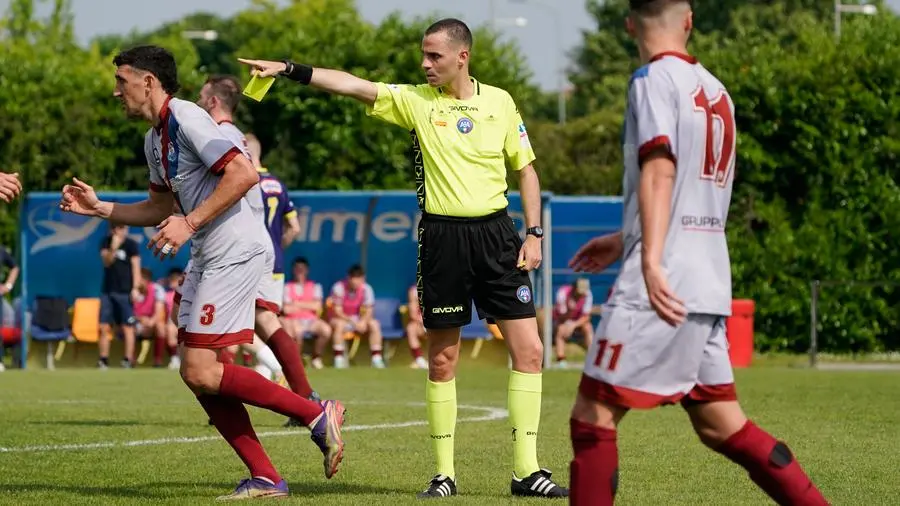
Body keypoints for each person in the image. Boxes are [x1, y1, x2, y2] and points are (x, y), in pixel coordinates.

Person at [239, 17, 565, 499]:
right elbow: (352, 86)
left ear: (462, 57)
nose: (424, 63)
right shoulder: (415, 100)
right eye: (423, 55)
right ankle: (444, 475)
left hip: (499, 237)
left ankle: (526, 472)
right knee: (443, 359)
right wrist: (288, 69)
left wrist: (534, 233)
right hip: (443, 238)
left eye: (433, 56)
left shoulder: (500, 101)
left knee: (531, 351)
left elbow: (527, 171)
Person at [566, 3, 828, 505]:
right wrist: (626, 240)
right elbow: (696, 191)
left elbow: (660, 168)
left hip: (663, 279)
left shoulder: (651, 79)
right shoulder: (716, 90)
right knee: (721, 424)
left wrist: (647, 260)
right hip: (708, 277)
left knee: (592, 418)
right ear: (688, 20)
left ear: (628, 25)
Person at [59, 45, 344, 500]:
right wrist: (100, 208)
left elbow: (243, 174)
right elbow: (158, 208)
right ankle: (268, 477)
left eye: (121, 81)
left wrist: (189, 222)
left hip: (234, 251)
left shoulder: (188, 117)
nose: (116, 92)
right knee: (197, 373)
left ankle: (314, 412)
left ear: (147, 82)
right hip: (210, 254)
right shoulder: (155, 138)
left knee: (202, 368)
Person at [195, 75, 322, 423]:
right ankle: (303, 397)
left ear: (212, 102)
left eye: (201, 96)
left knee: (232, 324)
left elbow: (231, 186)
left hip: (237, 250)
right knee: (258, 322)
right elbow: (292, 226)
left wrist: (190, 219)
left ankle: (300, 399)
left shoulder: (223, 142)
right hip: (265, 254)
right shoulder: (275, 182)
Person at [98, 222, 140, 369]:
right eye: (119, 228)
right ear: (113, 229)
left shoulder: (131, 245)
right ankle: (103, 360)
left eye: (124, 228)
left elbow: (136, 267)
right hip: (108, 291)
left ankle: (127, 360)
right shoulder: (105, 242)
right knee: (104, 326)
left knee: (128, 327)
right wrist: (113, 247)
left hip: (125, 292)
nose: (122, 231)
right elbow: (106, 262)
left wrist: (135, 288)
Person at [327, 264, 384, 369]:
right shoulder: (338, 287)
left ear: (363, 278)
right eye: (353, 277)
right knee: (339, 325)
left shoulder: (367, 289)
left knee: (374, 324)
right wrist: (353, 323)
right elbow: (337, 311)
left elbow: (369, 310)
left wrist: (362, 322)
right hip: (341, 318)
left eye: (358, 278)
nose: (355, 281)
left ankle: (377, 358)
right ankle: (338, 359)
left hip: (358, 319)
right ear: (348, 277)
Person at [281, 257, 331, 370]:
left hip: (311, 320)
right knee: (297, 332)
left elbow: (317, 306)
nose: (300, 271)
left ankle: (316, 357)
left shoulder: (315, 286)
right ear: (293, 270)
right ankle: (295, 362)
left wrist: (297, 303)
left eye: (302, 269)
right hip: (293, 320)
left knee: (326, 330)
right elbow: (287, 309)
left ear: (307, 270)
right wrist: (308, 305)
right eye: (297, 269)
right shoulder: (287, 287)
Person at [552, 278, 593, 369]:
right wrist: (570, 311)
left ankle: (591, 359)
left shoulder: (588, 294)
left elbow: (586, 317)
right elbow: (560, 317)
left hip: (577, 322)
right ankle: (561, 360)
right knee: (561, 329)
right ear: (574, 288)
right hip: (562, 320)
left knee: (588, 327)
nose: (582, 295)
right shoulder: (562, 293)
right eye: (580, 292)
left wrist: (573, 325)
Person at [405, 284, 428, 369]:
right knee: (411, 328)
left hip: (437, 324)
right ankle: (419, 360)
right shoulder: (414, 291)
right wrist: (423, 321)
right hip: (421, 325)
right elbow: (413, 313)